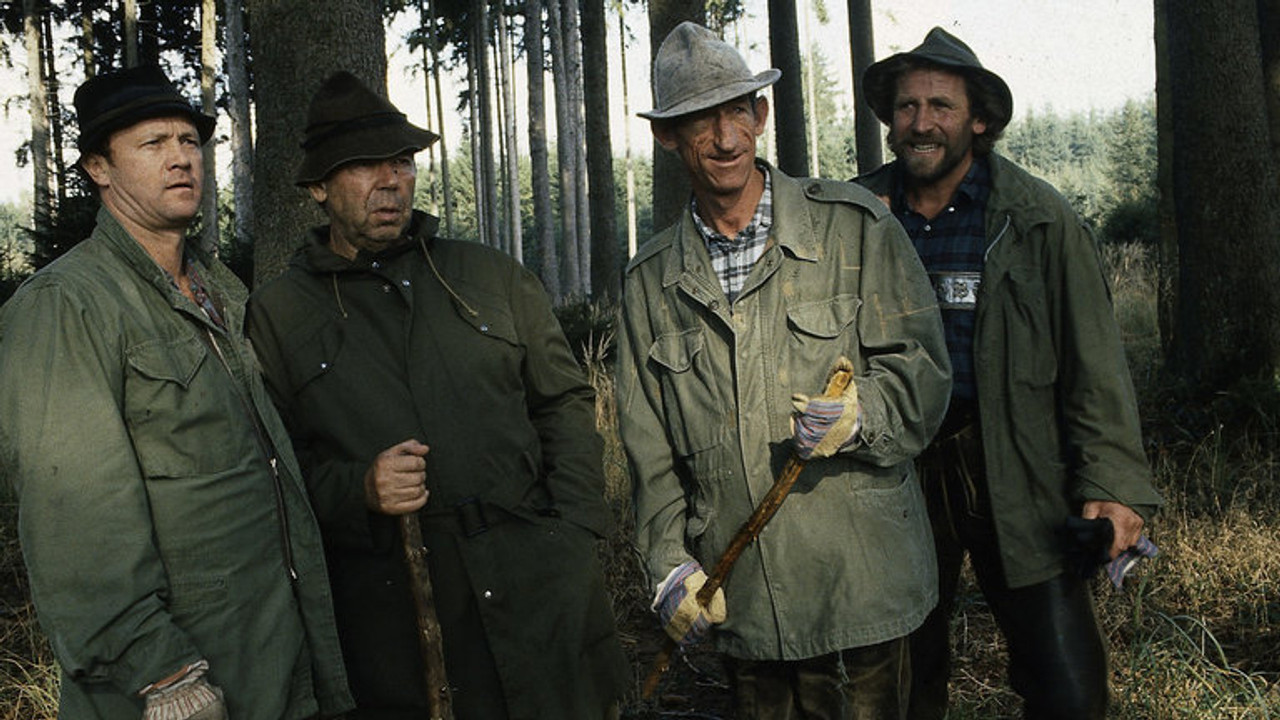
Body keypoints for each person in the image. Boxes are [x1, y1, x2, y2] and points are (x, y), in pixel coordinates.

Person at [246, 71, 629, 720]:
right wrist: (359, 489)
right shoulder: (279, 315)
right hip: (393, 619)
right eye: (363, 166)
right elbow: (274, 472)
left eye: (401, 161)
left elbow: (563, 401)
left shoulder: (489, 276)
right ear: (317, 187)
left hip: (536, 587)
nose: (390, 180)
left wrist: (572, 531)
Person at [616, 22, 952, 719]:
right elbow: (649, 451)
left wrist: (861, 417)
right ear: (667, 136)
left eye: (737, 111)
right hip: (745, 605)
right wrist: (669, 563)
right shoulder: (651, 283)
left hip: (861, 595)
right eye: (700, 121)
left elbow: (923, 372)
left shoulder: (853, 228)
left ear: (762, 114)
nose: (726, 138)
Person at [0, 65, 352, 720]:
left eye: (189, 141)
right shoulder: (65, 304)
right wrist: (161, 673)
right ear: (99, 168)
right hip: (178, 682)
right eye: (153, 143)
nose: (182, 158)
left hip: (270, 656)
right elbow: (72, 515)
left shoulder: (221, 288)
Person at [853, 27, 1164, 720]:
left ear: (980, 120)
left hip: (1016, 465)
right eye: (907, 107)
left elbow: (1093, 363)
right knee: (896, 682)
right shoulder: (854, 215)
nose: (921, 123)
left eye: (941, 106)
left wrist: (1112, 485)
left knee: (1068, 690)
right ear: (890, 121)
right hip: (892, 474)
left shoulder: (1038, 219)